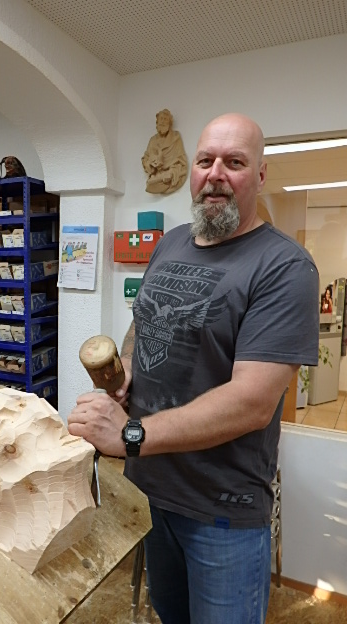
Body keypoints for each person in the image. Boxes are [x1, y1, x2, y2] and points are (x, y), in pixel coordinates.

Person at [68, 113, 319, 623]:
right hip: (150, 495)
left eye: (235, 162)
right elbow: (143, 325)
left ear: (260, 175)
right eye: (206, 160)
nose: (215, 174)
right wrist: (129, 370)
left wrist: (131, 434)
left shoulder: (285, 267)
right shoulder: (172, 241)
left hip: (221, 512)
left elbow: (251, 403)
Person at [141, 108, 188, 194]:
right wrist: (150, 164)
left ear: (170, 123)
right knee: (151, 182)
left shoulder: (175, 137)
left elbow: (181, 161)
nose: (162, 121)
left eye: (165, 119)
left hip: (170, 174)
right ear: (157, 122)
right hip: (156, 176)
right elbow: (146, 159)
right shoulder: (153, 140)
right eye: (161, 119)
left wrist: (172, 172)